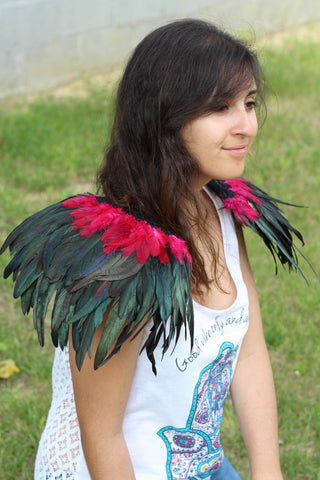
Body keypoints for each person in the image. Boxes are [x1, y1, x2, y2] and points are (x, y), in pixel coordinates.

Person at [1, 19, 307, 480]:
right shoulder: (117, 259)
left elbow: (248, 353)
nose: (247, 126)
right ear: (164, 118)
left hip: (193, 461)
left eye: (248, 104)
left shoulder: (224, 211)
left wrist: (268, 472)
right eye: (221, 107)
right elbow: (102, 438)